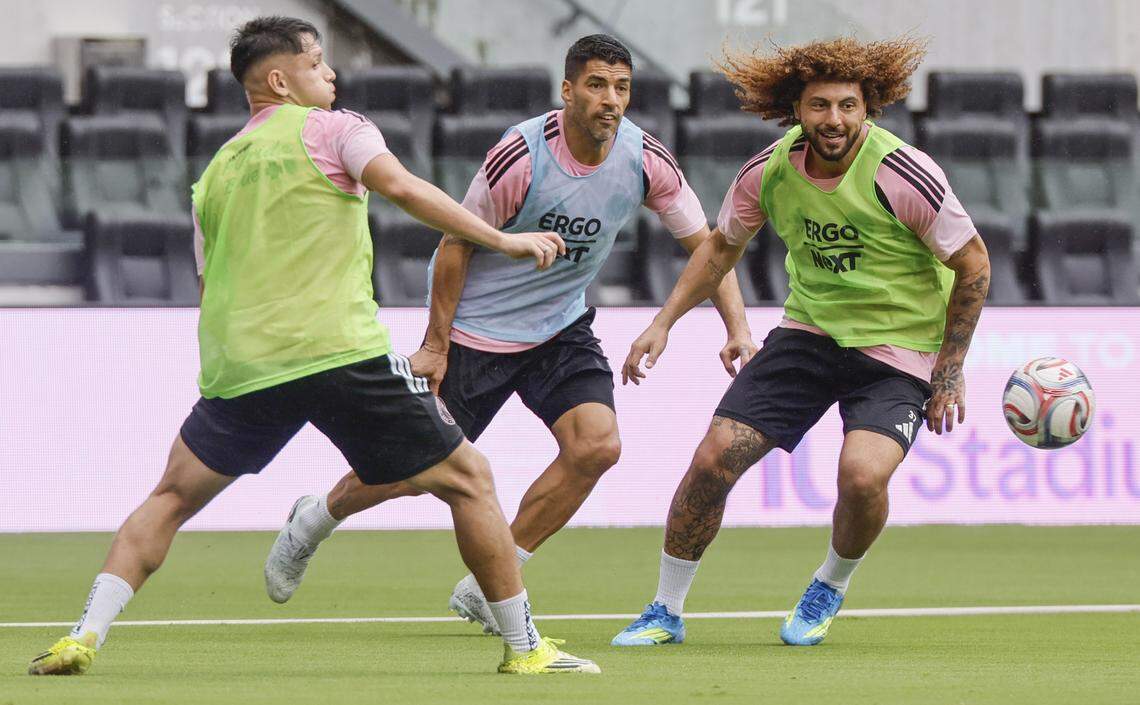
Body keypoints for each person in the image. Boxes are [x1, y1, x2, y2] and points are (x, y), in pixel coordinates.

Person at [29, 16, 599, 676]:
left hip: (241, 365)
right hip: (336, 352)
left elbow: (210, 278)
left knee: (169, 498)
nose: (330, 74)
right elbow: (403, 188)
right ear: (279, 79)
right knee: (470, 480)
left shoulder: (213, 174)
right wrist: (503, 240)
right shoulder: (335, 128)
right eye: (317, 63)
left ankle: (83, 634)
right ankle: (526, 649)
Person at [263, 34, 755, 635]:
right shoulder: (521, 156)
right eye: (596, 85)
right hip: (476, 331)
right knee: (410, 473)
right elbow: (455, 243)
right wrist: (437, 344)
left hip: (560, 328)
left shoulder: (645, 158)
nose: (611, 100)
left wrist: (734, 326)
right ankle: (317, 517)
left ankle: (488, 581)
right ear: (568, 90)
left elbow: (708, 247)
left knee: (596, 446)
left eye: (621, 88)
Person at [611, 36, 990, 647]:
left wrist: (949, 369)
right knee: (712, 460)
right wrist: (664, 322)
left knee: (863, 479)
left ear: (869, 107)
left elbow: (974, 265)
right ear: (797, 108)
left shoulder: (904, 175)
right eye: (819, 105)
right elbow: (720, 250)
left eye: (847, 105)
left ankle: (830, 584)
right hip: (809, 334)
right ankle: (664, 609)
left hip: (899, 351)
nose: (833, 119)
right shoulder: (767, 171)